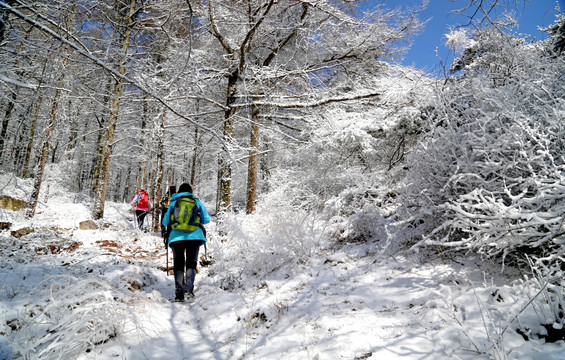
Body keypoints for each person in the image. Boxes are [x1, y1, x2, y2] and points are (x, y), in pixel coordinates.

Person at [162, 183, 210, 302]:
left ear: (179, 191)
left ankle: (179, 294)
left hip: (176, 238)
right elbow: (207, 219)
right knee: (191, 263)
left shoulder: (174, 202)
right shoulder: (196, 202)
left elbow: (165, 221)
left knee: (178, 263)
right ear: (190, 191)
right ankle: (188, 290)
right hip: (194, 236)